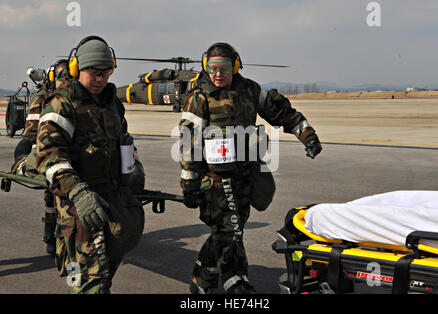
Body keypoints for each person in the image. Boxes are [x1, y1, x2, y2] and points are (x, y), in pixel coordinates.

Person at [179, 42, 322, 294]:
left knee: (229, 230)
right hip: (214, 180)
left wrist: (307, 134)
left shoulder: (250, 91)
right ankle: (237, 282)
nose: (217, 74)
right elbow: (189, 141)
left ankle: (202, 278)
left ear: (235, 66)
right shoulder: (199, 97)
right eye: (212, 68)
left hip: (245, 176)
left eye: (223, 68)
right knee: (230, 230)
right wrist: (189, 182)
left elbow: (282, 113)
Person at [35, 35, 145, 293]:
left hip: (113, 199)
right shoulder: (61, 103)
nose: (100, 78)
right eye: (93, 72)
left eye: (106, 72)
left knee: (105, 272)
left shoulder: (113, 105)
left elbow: (124, 140)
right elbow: (49, 154)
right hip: (79, 203)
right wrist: (78, 192)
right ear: (76, 69)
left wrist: (132, 168)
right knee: (89, 282)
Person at [11, 59, 68, 255]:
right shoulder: (81, 95)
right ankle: (53, 239)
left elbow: (30, 133)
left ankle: (52, 239)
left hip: (49, 157)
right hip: (65, 157)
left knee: (51, 192)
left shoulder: (45, 96)